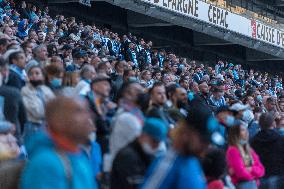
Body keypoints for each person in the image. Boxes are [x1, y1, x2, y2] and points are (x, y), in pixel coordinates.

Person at [20, 96, 97, 189]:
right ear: (57, 121)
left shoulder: (78, 154)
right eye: (79, 111)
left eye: (87, 111)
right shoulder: (46, 163)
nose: (89, 117)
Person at [140, 102, 219, 189]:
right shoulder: (167, 164)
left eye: (208, 141)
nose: (206, 146)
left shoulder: (193, 160)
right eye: (203, 140)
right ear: (187, 133)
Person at [111, 118, 168, 189]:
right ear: (143, 135)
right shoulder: (127, 156)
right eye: (154, 141)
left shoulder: (146, 154)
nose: (156, 146)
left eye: (159, 143)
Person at [226, 121, 265, 188]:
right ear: (235, 133)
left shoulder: (249, 149)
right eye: (243, 130)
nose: (247, 132)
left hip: (253, 184)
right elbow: (241, 173)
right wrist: (254, 177)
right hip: (243, 185)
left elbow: (261, 170)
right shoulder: (233, 150)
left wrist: (251, 169)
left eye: (246, 129)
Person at [21, 65, 55, 140]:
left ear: (43, 76)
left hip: (48, 126)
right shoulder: (25, 91)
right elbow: (37, 112)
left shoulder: (46, 89)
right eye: (31, 74)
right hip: (33, 127)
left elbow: (55, 108)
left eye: (37, 73)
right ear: (28, 77)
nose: (34, 75)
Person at [250, 113, 284, 185]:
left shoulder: (253, 140)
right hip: (277, 174)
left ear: (259, 124)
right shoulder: (280, 138)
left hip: (261, 175)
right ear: (273, 123)